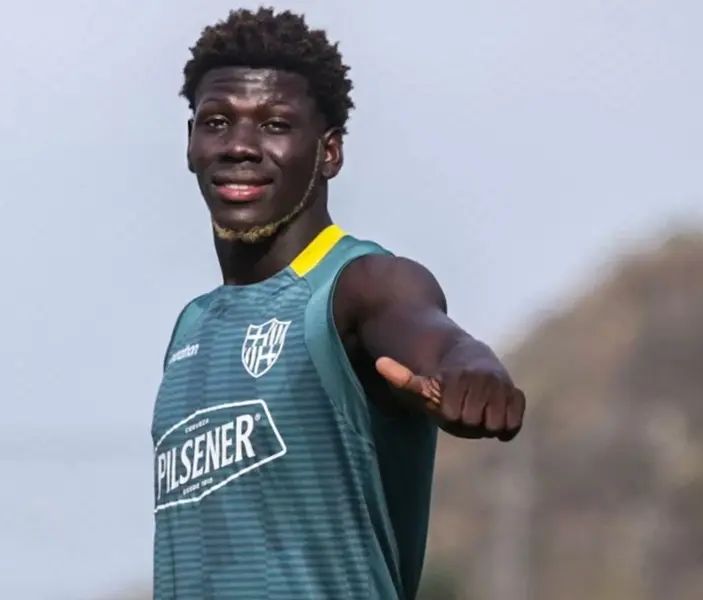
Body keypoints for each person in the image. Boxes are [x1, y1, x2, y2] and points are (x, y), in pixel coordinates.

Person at [151, 7, 527, 600]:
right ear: (190, 142)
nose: (240, 146)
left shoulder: (357, 284)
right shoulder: (191, 328)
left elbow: (433, 334)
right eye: (217, 122)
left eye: (274, 125)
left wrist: (471, 371)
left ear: (329, 153)